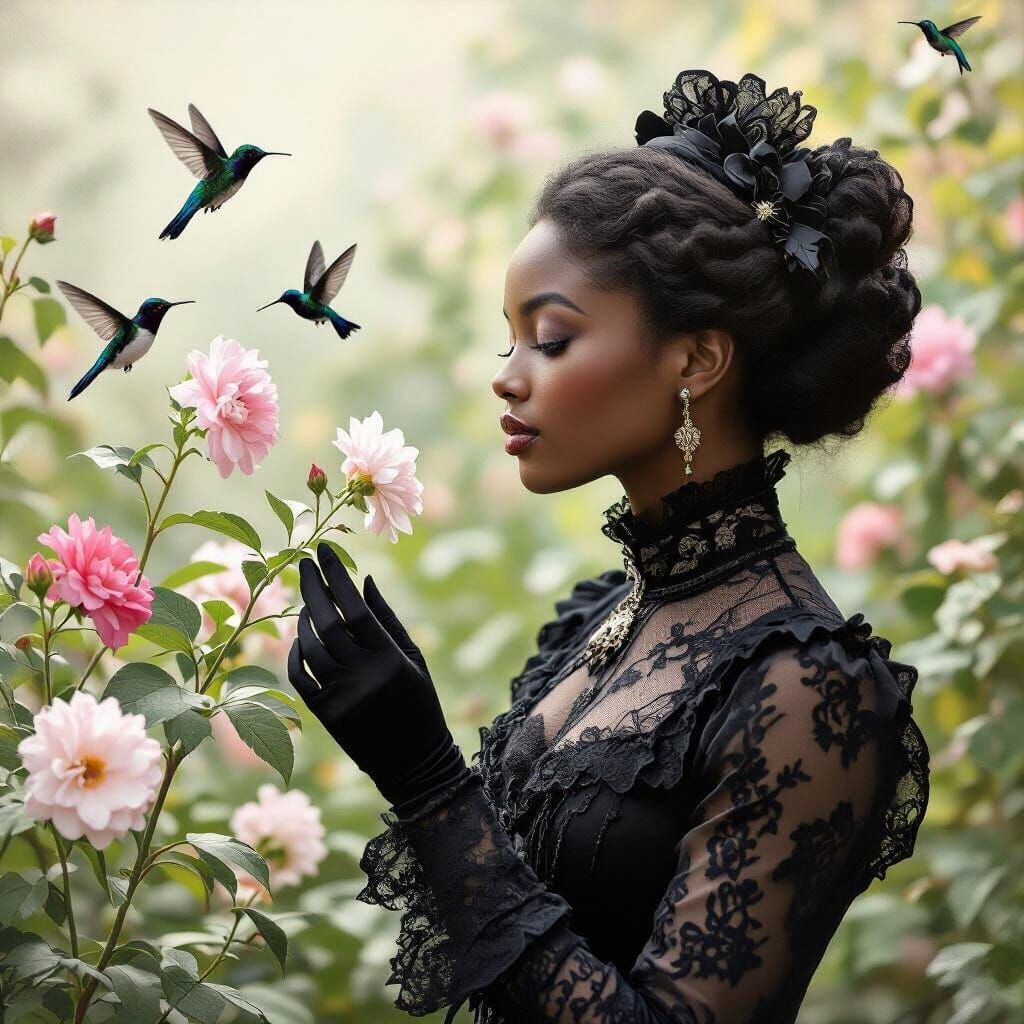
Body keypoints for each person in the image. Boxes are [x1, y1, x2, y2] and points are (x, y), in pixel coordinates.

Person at [287, 68, 931, 1024]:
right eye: (508, 340)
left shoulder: (808, 687)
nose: (508, 378)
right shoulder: (600, 616)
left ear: (697, 359)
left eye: (550, 339)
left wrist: (428, 779)